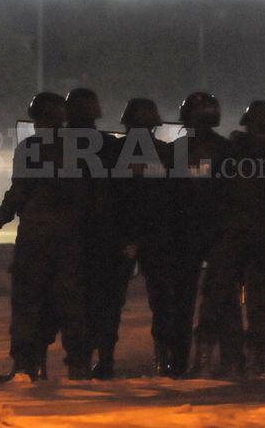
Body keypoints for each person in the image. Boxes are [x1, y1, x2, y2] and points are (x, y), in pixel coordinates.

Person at [0, 92, 90, 382]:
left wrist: (4, 212)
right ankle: (79, 365)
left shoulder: (30, 148)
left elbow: (20, 189)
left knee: (28, 301)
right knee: (72, 302)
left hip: (36, 236)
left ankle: (25, 364)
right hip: (71, 236)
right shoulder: (82, 147)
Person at [196, 100, 265, 378]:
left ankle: (218, 360)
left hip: (234, 236)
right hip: (257, 237)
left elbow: (211, 194)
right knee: (257, 303)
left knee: (220, 298)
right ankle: (250, 360)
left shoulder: (230, 152)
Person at [168, 92, 233, 378]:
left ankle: (182, 360)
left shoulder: (176, 150)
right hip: (214, 230)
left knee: (183, 299)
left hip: (189, 231)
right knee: (219, 296)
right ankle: (222, 358)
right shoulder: (227, 149)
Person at [63, 88, 126, 380]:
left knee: (75, 301)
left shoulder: (55, 145)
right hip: (104, 235)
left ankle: (80, 360)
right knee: (106, 301)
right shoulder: (110, 146)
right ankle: (104, 359)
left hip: (76, 235)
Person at [113, 98, 176, 376]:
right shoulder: (166, 152)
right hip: (156, 234)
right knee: (162, 300)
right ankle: (164, 358)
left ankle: (103, 358)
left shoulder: (112, 152)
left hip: (121, 233)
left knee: (110, 300)